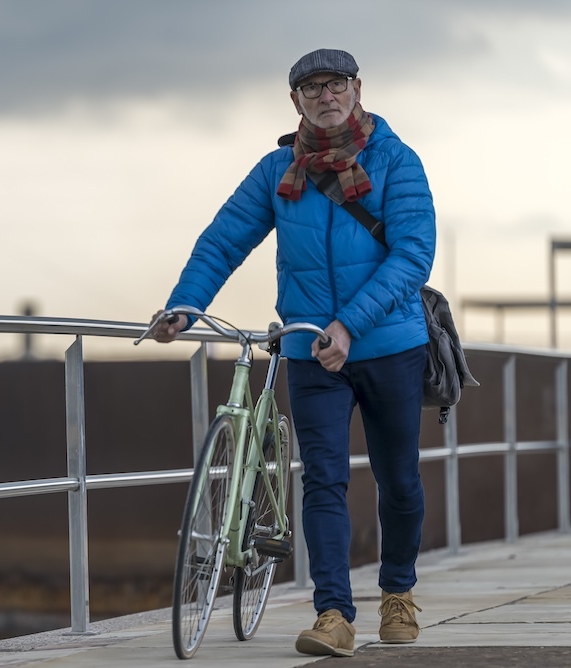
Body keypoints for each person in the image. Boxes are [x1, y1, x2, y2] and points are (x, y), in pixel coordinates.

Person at [149, 48, 434, 657]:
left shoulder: (396, 162)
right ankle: (333, 613)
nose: (324, 96)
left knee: (400, 482)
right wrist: (184, 305)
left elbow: (413, 255)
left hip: (388, 345)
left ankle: (399, 593)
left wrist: (350, 326)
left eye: (335, 85)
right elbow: (224, 240)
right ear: (295, 100)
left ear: (358, 89)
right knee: (323, 481)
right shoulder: (278, 170)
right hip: (310, 350)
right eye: (311, 88)